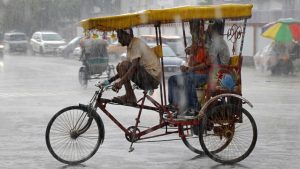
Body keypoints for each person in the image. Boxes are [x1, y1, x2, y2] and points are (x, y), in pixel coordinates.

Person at [168, 20, 230, 119]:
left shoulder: (217, 42)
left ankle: (193, 108)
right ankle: (175, 105)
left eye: (210, 27)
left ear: (214, 29)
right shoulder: (213, 41)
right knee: (172, 79)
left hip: (216, 74)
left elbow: (208, 62)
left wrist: (192, 68)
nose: (207, 29)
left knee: (189, 79)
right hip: (209, 71)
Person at [101, 28, 161, 104]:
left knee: (122, 65)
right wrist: (109, 81)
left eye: (120, 37)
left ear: (127, 36)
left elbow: (133, 67)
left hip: (151, 79)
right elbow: (124, 69)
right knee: (119, 66)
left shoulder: (136, 43)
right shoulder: (130, 46)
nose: (119, 40)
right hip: (148, 76)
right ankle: (130, 96)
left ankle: (130, 97)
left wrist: (121, 82)